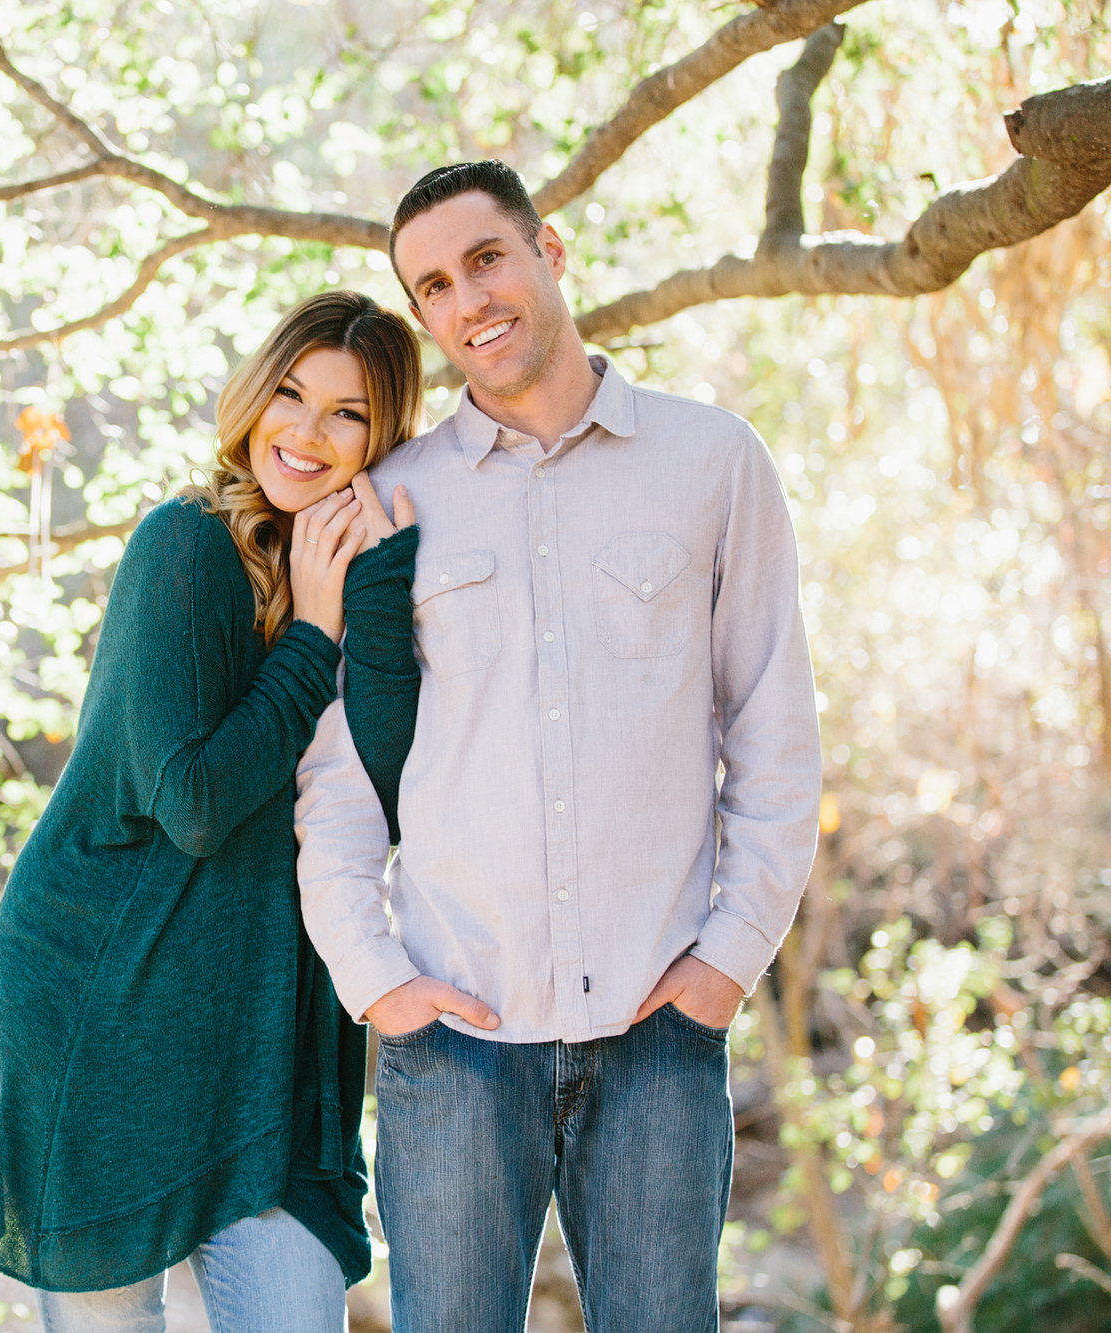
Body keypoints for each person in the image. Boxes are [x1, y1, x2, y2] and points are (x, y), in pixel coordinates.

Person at [294, 160, 822, 1332]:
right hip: (453, 1041)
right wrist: (374, 980)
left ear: (549, 250)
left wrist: (728, 959)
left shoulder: (712, 461)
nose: (467, 299)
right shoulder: (392, 499)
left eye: (485, 259)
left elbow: (773, 738)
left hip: (657, 1030)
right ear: (422, 317)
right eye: (431, 286)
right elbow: (337, 779)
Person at [0, 290, 427, 1332]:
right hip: (104, 1006)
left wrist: (373, 577)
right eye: (289, 394)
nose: (307, 434)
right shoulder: (183, 548)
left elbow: (391, 769)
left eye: (347, 414)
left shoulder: (338, 561)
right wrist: (309, 635)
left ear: (383, 435)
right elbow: (190, 802)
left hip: (263, 1028)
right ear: (252, 394)